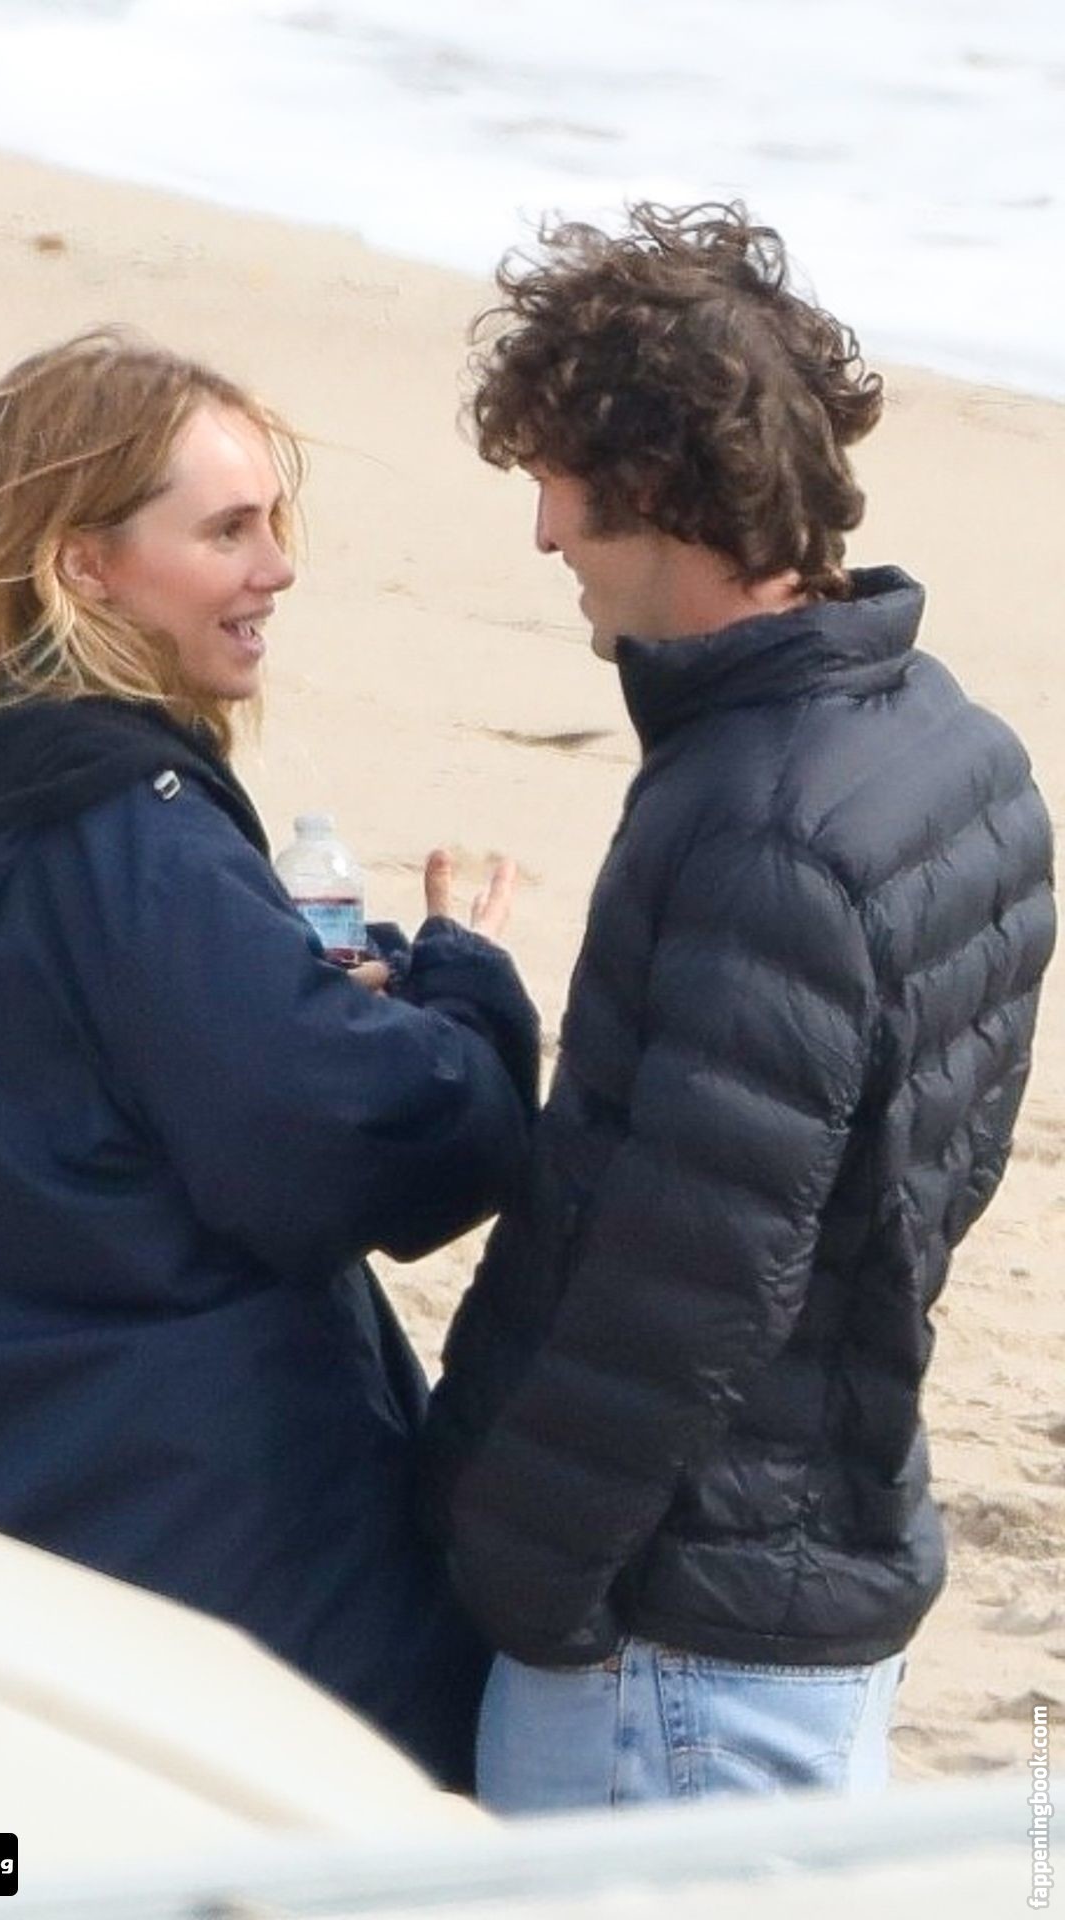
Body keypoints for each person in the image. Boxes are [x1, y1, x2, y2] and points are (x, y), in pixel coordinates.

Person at [0, 328, 541, 1791]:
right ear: (85, 567)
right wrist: (466, 998)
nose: (277, 569)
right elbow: (348, 1140)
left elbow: (147, 1063)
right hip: (202, 1553)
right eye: (228, 531)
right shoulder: (125, 828)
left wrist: (322, 986)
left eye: (275, 523)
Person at [421, 202, 1056, 1811]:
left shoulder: (765, 821)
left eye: (557, 482)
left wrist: (534, 1582)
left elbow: (691, 1277)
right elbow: (907, 1193)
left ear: (651, 487)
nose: (543, 534)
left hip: (676, 1658)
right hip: (802, 1573)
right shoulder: (950, 745)